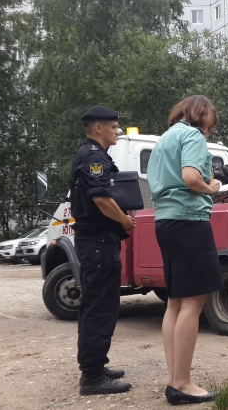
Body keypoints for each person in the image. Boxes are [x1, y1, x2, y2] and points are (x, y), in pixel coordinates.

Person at [147, 95, 228, 405]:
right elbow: (191, 178)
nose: (209, 131)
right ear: (203, 118)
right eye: (210, 125)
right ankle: (182, 383)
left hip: (166, 222)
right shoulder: (192, 135)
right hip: (189, 222)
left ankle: (174, 380)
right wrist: (212, 187)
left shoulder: (165, 138)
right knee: (193, 303)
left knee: (175, 302)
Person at [70, 105, 136, 395]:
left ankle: (95, 365)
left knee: (97, 306)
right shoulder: (94, 157)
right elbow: (100, 198)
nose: (117, 131)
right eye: (113, 127)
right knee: (100, 308)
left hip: (96, 243)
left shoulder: (91, 155)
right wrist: (124, 220)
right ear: (98, 128)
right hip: (98, 243)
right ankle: (92, 378)